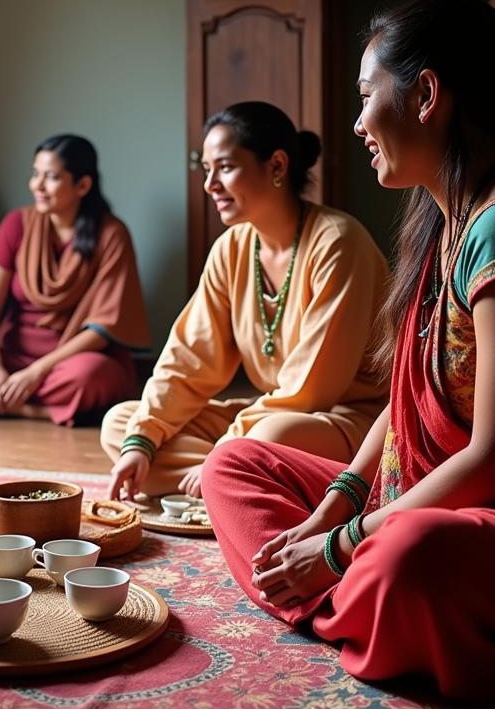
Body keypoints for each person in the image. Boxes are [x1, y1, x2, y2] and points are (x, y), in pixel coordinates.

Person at [201, 0, 495, 699]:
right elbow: (404, 407)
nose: (357, 123)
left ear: (427, 95)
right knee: (232, 466)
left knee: (409, 554)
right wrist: (331, 511)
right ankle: (373, 615)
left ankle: (358, 603)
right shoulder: (443, 221)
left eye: (368, 95)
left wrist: (339, 548)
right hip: (416, 497)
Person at [104, 101, 389, 501]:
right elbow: (189, 358)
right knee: (123, 425)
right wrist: (143, 439)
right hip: (272, 414)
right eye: (206, 171)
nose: (210, 185)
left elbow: (312, 389)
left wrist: (225, 446)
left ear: (276, 166)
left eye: (225, 167)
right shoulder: (232, 248)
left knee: (270, 434)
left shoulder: (338, 243)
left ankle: (232, 471)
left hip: (346, 419)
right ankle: (238, 478)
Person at [0, 134, 150, 426]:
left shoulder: (111, 235)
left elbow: (102, 328)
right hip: (13, 357)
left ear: (82, 185)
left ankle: (6, 404)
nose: (37, 185)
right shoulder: (17, 224)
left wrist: (35, 374)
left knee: (92, 376)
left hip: (69, 363)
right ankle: (36, 409)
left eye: (51, 177)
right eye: (35, 174)